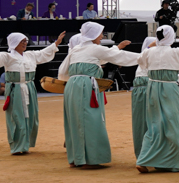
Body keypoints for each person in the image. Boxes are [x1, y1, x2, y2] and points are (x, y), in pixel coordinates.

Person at [55, 22, 139, 168]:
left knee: (75, 120)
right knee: (89, 119)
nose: (102, 36)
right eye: (100, 33)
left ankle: (77, 157)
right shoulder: (94, 49)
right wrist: (146, 57)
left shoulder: (76, 50)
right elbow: (120, 57)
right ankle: (90, 159)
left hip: (72, 86)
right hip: (86, 86)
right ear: (93, 34)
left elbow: (62, 72)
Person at [134, 25, 179, 172]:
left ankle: (144, 159)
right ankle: (173, 162)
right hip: (170, 89)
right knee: (173, 124)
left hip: (152, 88)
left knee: (154, 124)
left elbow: (140, 60)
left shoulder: (149, 52)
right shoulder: (176, 52)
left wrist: (152, 46)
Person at [0, 31, 64, 154]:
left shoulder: (30, 55)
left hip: (29, 88)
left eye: (25, 41)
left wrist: (56, 43)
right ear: (14, 43)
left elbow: (43, 53)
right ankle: (17, 146)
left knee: (31, 116)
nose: (25, 43)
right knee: (16, 116)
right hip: (15, 88)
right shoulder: (8, 56)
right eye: (22, 41)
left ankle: (26, 144)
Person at [130, 36, 158, 158]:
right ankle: (147, 155)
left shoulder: (144, 61)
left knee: (142, 124)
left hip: (143, 92)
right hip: (149, 92)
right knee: (149, 123)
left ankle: (143, 155)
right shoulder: (146, 60)